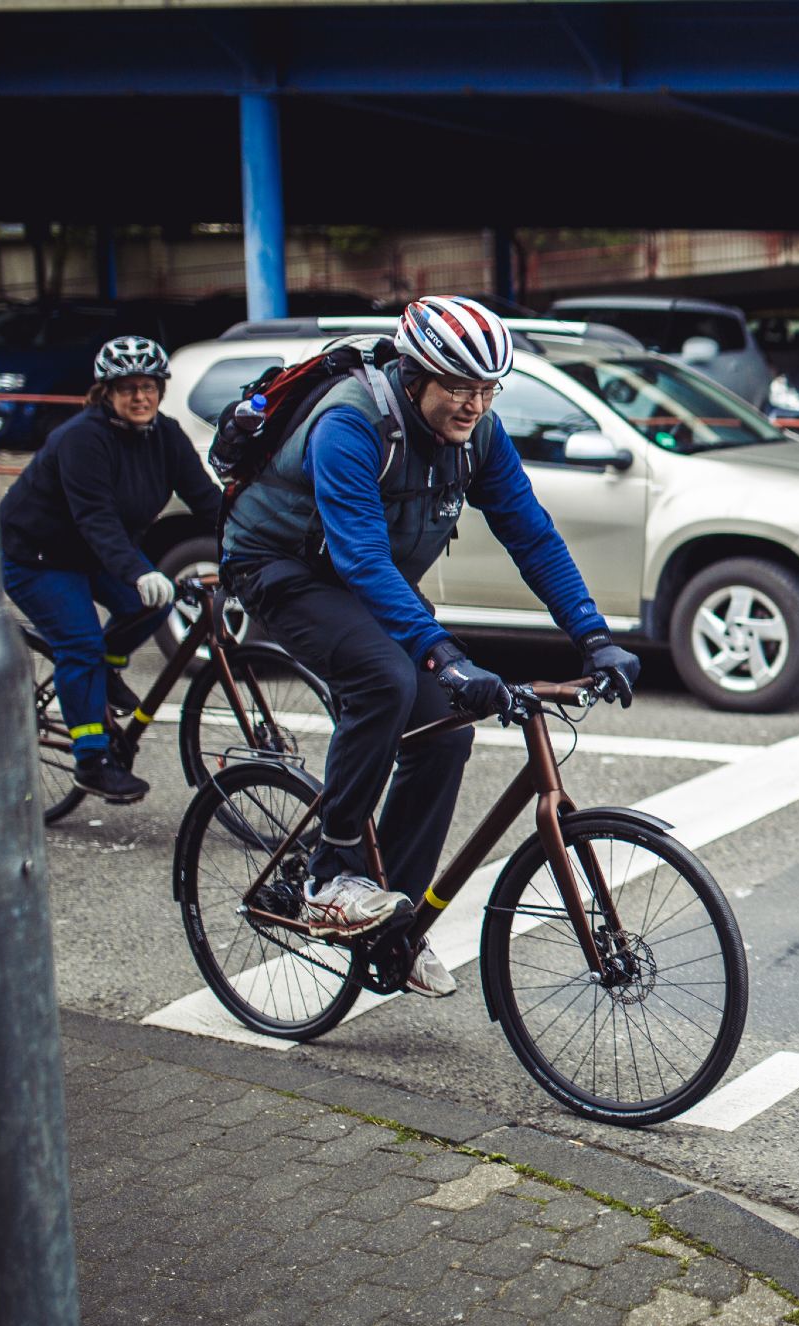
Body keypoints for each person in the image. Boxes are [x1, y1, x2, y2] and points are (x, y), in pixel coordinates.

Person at [223, 295, 641, 999]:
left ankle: (395, 924)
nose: (474, 405)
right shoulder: (350, 424)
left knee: (443, 735)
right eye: (459, 388)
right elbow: (358, 559)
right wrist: (444, 655)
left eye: (487, 390)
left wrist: (593, 635)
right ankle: (333, 876)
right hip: (283, 567)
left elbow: (530, 535)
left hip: (369, 574)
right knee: (385, 679)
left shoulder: (480, 435)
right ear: (416, 377)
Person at [0, 335, 223, 804]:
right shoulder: (82, 439)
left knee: (154, 609)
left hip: (99, 552)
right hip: (39, 556)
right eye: (126, 388)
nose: (139, 397)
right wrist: (140, 573)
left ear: (161, 390)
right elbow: (94, 518)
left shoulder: (166, 435)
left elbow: (206, 500)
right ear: (106, 394)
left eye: (148, 386)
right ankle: (91, 759)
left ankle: (107, 669)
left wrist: (252, 541)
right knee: (79, 644)